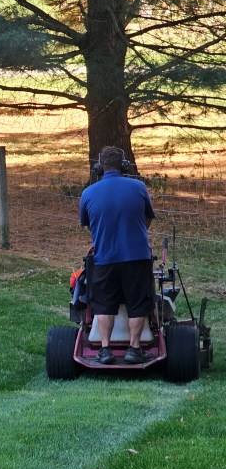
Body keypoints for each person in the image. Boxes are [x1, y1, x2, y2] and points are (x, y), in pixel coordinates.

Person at [79, 146, 157, 364]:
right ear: (124, 166)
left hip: (105, 259)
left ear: (99, 168)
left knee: (103, 303)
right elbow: (148, 217)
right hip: (137, 257)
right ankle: (134, 349)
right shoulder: (139, 187)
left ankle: (104, 350)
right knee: (137, 303)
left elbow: (88, 225)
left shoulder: (88, 193)